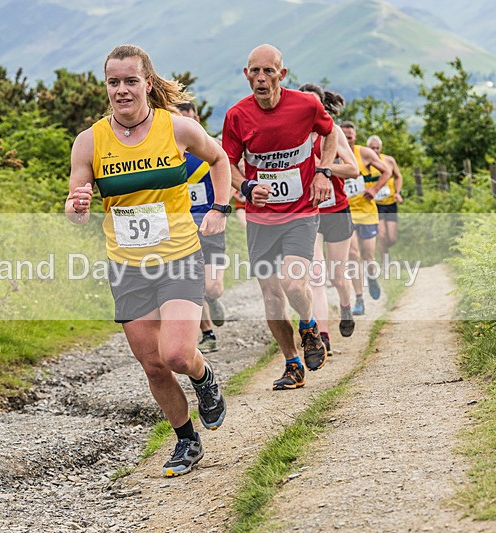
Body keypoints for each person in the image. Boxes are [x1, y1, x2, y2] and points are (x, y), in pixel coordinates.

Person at [66, 44, 232, 477]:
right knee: (154, 366)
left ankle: (203, 376)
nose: (121, 90)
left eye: (130, 81)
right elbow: (75, 208)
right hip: (127, 267)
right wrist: (76, 207)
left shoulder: (176, 128)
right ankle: (186, 440)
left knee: (176, 354)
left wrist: (220, 209)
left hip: (178, 257)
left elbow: (219, 159)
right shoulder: (89, 142)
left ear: (148, 83)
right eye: (113, 82)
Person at [223, 44, 338, 391]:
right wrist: (246, 186)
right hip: (260, 219)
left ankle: (309, 325)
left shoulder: (306, 105)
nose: (261, 78)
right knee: (272, 296)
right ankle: (292, 364)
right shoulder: (236, 116)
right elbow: (227, 163)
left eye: (268, 71)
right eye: (254, 71)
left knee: (293, 283)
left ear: (281, 74)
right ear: (246, 75)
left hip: (301, 212)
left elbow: (330, 133)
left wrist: (324, 172)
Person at [297, 84, 360, 351]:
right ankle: (323, 336)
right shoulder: (293, 134)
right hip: (309, 212)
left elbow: (354, 170)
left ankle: (346, 306)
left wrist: (323, 168)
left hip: (336, 211)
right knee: (315, 277)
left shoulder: (331, 132)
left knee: (337, 277)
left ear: (322, 107)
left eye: (314, 104)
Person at [176, 101, 227, 354]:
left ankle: (213, 298)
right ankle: (208, 334)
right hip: (181, 228)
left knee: (212, 287)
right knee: (191, 282)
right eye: (180, 119)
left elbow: (229, 175)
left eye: (189, 119)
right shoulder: (166, 150)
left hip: (210, 225)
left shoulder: (212, 147)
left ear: (197, 120)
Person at [339, 121, 390, 316]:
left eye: (350, 137)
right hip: (346, 212)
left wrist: (374, 189)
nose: (347, 141)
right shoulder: (333, 154)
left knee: (368, 256)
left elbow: (387, 171)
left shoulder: (364, 153)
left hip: (367, 213)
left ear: (355, 137)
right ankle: (359, 298)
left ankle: (372, 277)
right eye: (343, 137)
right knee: (353, 255)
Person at [367, 135, 403, 265]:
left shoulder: (389, 160)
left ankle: (383, 251)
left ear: (381, 148)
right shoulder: (366, 163)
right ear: (368, 148)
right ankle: (385, 263)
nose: (375, 150)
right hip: (375, 205)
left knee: (392, 238)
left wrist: (398, 193)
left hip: (390, 203)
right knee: (381, 235)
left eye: (377, 148)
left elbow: (398, 176)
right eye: (372, 148)